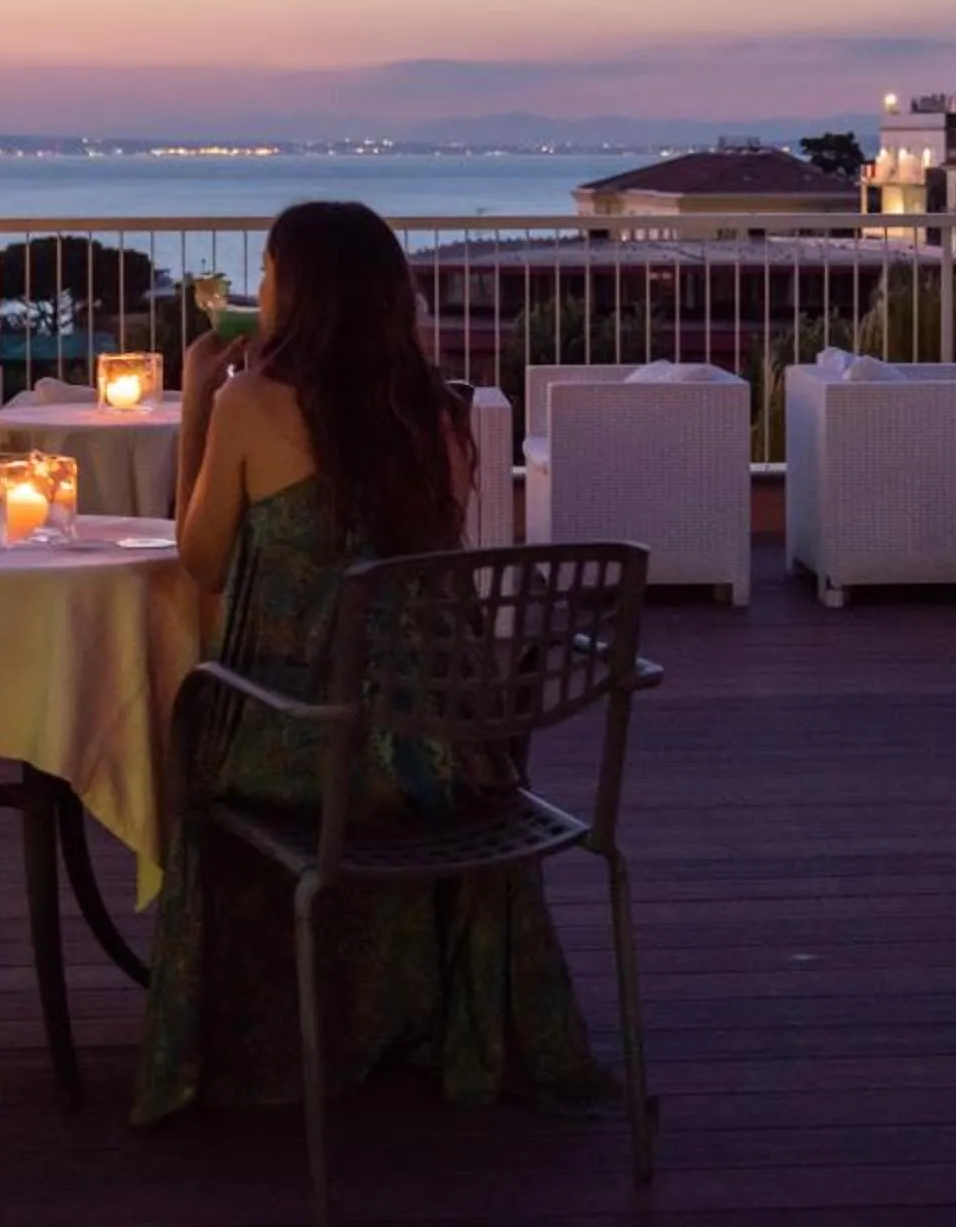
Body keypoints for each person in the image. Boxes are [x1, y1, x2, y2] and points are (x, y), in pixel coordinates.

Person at [133, 199, 606, 1123]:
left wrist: (197, 397)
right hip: (446, 746)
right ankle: (411, 1016)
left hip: (302, 750)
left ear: (295, 292)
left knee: (186, 732)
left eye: (267, 275)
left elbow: (201, 558)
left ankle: (271, 1032)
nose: (258, 292)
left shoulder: (249, 403)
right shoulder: (434, 409)